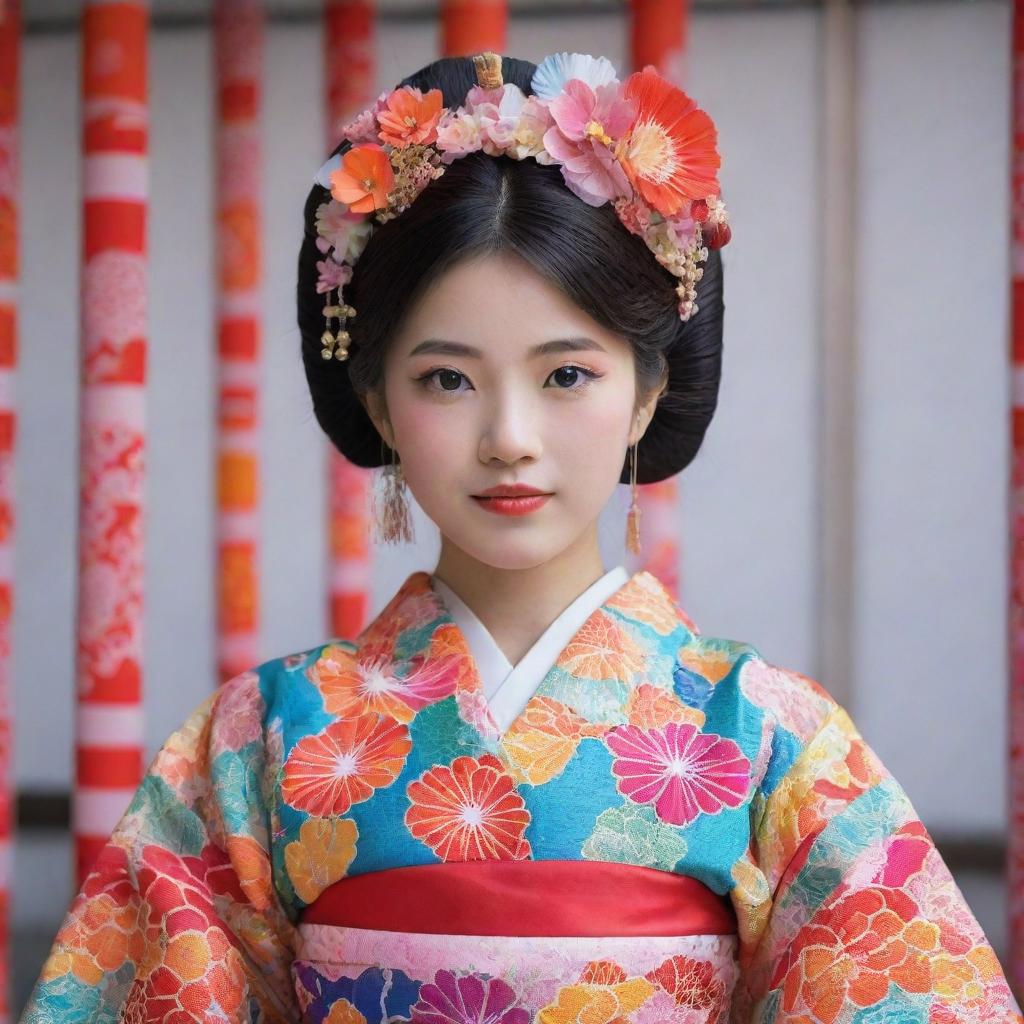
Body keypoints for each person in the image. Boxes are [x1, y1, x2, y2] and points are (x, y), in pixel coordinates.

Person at [22, 49, 1021, 1024]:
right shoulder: (260, 739)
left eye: (566, 376)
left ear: (645, 395)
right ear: (375, 401)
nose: (508, 438)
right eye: (445, 378)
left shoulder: (770, 738)